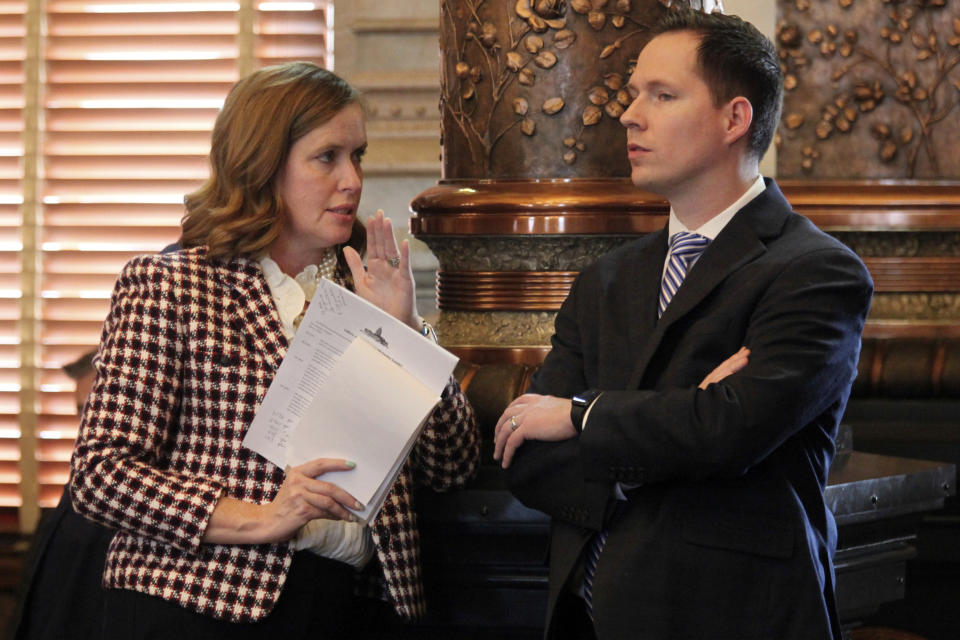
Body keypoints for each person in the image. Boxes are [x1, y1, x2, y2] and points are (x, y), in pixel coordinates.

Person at [493, 9, 873, 640]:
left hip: (732, 617)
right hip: (587, 618)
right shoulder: (607, 278)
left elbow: (730, 431)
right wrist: (683, 413)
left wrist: (585, 418)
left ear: (735, 119)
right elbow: (528, 455)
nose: (629, 114)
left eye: (662, 95)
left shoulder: (816, 271)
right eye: (635, 93)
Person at [68, 61, 479, 639]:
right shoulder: (171, 285)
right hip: (199, 605)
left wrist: (406, 329)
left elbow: (452, 466)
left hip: (348, 605)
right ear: (264, 167)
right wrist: (261, 518)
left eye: (357, 155)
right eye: (327, 157)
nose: (353, 180)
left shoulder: (365, 286)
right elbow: (101, 477)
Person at [10, 350, 114, 640]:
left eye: (94, 410)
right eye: (81, 412)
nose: (86, 428)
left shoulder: (125, 500)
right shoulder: (80, 488)